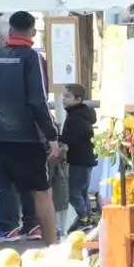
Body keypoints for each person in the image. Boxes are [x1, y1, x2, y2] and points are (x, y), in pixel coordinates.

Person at [0, 10, 61, 246]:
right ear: (32, 31)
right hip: (25, 139)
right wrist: (51, 135)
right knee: (41, 192)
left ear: (10, 30)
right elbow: (38, 100)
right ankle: (52, 247)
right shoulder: (32, 58)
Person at [59, 83, 97, 227]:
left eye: (67, 96)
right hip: (85, 159)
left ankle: (83, 218)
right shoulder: (81, 114)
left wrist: (59, 139)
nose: (63, 99)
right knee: (82, 191)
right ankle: (87, 217)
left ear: (78, 99)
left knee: (73, 192)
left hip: (79, 160)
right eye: (63, 96)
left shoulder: (76, 117)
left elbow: (72, 138)